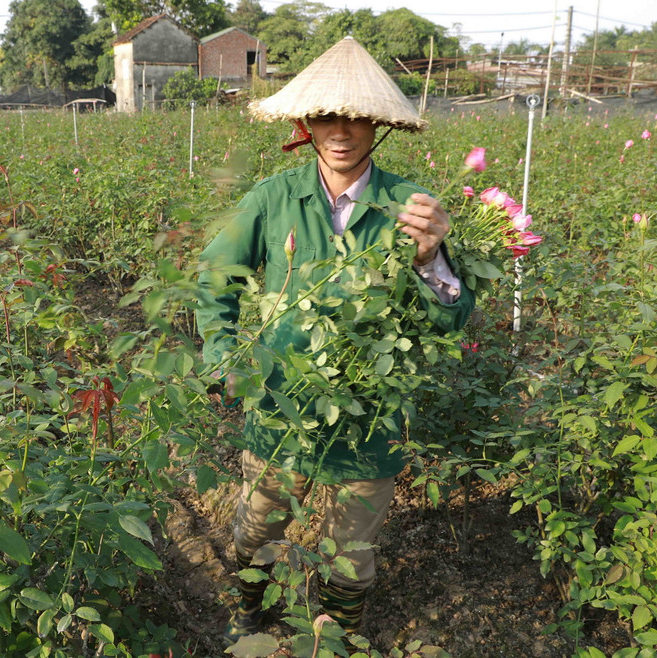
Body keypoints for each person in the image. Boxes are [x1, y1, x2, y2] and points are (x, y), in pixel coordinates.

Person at [195, 37, 476, 644]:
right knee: (258, 527)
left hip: (372, 410)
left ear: (378, 125)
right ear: (307, 124)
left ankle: (337, 639)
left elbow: (451, 320)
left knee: (350, 550)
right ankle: (249, 615)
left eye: (356, 117)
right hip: (281, 401)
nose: (341, 131)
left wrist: (430, 260)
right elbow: (215, 280)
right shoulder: (272, 199)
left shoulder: (411, 208)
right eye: (326, 116)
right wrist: (225, 358)